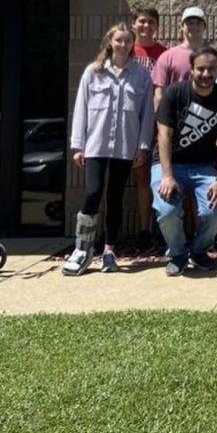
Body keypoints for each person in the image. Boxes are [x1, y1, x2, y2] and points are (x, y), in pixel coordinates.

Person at [64, 23, 154, 276]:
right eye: (119, 40)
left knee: (115, 198)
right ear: (110, 42)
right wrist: (77, 145)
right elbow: (81, 109)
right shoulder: (93, 72)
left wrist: (143, 146)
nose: (123, 45)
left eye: (128, 41)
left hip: (125, 148)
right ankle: (82, 248)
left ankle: (109, 251)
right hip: (95, 146)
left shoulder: (140, 75)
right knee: (93, 193)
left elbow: (147, 114)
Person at [151, 46, 217, 276]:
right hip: (168, 164)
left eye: (211, 69)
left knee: (214, 212)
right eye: (201, 69)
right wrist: (167, 175)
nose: (206, 74)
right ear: (191, 70)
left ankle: (199, 251)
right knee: (166, 210)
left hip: (203, 166)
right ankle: (178, 254)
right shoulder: (174, 93)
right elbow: (164, 136)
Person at [129, 5, 167, 250]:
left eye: (151, 22)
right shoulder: (125, 50)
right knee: (142, 181)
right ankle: (144, 230)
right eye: (142, 21)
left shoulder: (164, 54)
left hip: (159, 129)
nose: (146, 26)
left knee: (163, 181)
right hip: (132, 126)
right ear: (134, 24)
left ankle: (165, 230)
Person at [151, 6, 208, 110]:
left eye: (198, 23)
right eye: (189, 23)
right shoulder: (167, 57)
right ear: (182, 27)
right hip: (175, 120)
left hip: (205, 120)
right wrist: (161, 123)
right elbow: (159, 95)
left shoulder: (212, 57)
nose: (194, 26)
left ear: (204, 27)